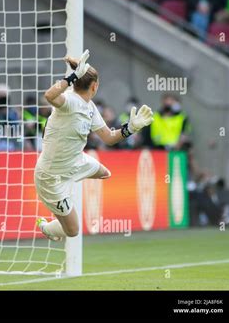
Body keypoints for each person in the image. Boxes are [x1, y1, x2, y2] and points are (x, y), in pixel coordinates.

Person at [34, 50, 154, 241]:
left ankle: (70, 187)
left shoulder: (89, 107)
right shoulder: (69, 100)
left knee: (105, 173)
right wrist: (71, 76)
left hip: (76, 162)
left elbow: (109, 138)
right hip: (51, 176)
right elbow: (49, 95)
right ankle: (47, 227)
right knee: (72, 231)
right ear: (95, 86)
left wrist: (130, 128)